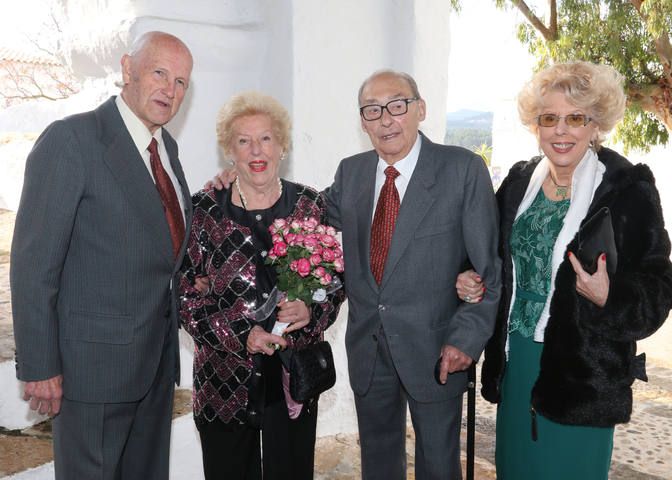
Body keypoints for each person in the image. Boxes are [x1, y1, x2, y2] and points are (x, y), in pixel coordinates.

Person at [456, 61, 672, 479]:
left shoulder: (625, 189)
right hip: (518, 357)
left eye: (575, 118)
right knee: (516, 468)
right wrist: (470, 275)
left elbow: (662, 285)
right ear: (536, 126)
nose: (561, 131)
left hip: (582, 373)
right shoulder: (518, 184)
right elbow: (491, 253)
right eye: (549, 119)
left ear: (596, 125)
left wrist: (609, 297)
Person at [11, 32, 194, 479]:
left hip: (153, 369)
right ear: (127, 68)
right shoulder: (72, 141)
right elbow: (34, 265)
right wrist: (40, 367)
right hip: (91, 374)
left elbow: (161, 247)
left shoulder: (165, 149)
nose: (170, 90)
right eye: (160, 73)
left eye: (182, 82)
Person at [322, 70, 501, 479]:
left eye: (397, 105)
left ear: (420, 109)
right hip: (369, 347)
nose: (386, 119)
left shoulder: (462, 170)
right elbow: (309, 220)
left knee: (439, 466)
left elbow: (488, 269)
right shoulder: (350, 173)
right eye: (372, 110)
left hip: (437, 350)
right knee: (379, 464)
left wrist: (466, 339)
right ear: (362, 121)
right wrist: (242, 182)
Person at [178, 91, 345, 480]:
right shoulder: (203, 210)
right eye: (243, 140)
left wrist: (313, 311)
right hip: (225, 383)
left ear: (282, 145)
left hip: (293, 378)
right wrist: (241, 335)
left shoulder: (309, 204)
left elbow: (336, 281)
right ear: (229, 151)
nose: (257, 149)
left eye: (266, 138)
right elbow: (183, 298)